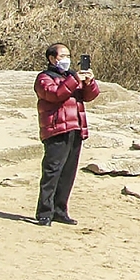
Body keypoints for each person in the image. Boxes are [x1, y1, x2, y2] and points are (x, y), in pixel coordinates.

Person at [33, 43, 99, 226]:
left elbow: (90, 95)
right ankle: (45, 212)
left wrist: (89, 82)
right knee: (52, 172)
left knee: (68, 173)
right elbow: (54, 94)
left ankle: (60, 210)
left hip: (75, 128)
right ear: (52, 59)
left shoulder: (71, 76)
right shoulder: (44, 78)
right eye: (63, 56)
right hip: (56, 130)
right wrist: (74, 80)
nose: (67, 60)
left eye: (68, 56)